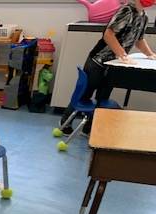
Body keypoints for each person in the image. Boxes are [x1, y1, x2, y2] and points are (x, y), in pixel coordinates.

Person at [58, 0, 156, 135]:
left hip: (113, 65)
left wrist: (150, 54)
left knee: (102, 97)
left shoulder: (143, 17)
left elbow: (139, 40)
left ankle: (89, 128)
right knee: (85, 94)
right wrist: (122, 54)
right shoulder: (126, 11)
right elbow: (108, 34)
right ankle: (65, 123)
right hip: (98, 61)